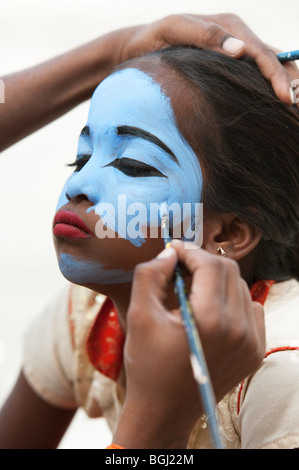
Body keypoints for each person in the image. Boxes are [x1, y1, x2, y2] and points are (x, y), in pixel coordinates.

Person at [0, 13, 299, 450]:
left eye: (133, 165)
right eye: (81, 158)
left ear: (230, 231)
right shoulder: (88, 317)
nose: (77, 184)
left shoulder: (281, 377)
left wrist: (154, 427)